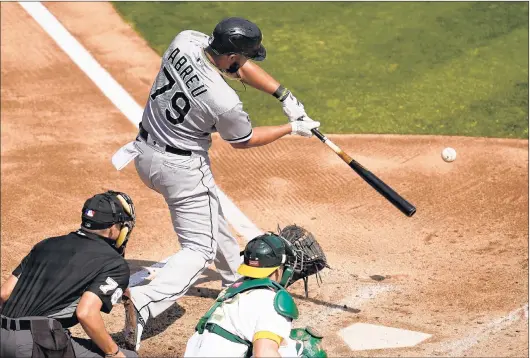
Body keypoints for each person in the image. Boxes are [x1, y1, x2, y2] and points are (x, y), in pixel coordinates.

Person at [111, 17, 320, 352]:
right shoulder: (223, 100)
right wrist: (291, 129)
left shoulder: (186, 41)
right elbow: (244, 140)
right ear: (233, 57)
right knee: (198, 250)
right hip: (180, 170)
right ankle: (144, 301)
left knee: (212, 215)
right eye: (245, 57)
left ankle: (230, 280)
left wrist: (283, 94)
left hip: (145, 153)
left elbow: (236, 68)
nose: (245, 63)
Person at [0, 191, 138, 358]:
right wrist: (114, 352)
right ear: (112, 228)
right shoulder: (115, 263)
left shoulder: (45, 244)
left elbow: (4, 293)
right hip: (34, 344)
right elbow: (86, 313)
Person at [183, 228, 328, 358]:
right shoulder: (272, 301)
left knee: (282, 342)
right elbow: (264, 354)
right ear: (279, 271)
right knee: (302, 350)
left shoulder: (233, 291)